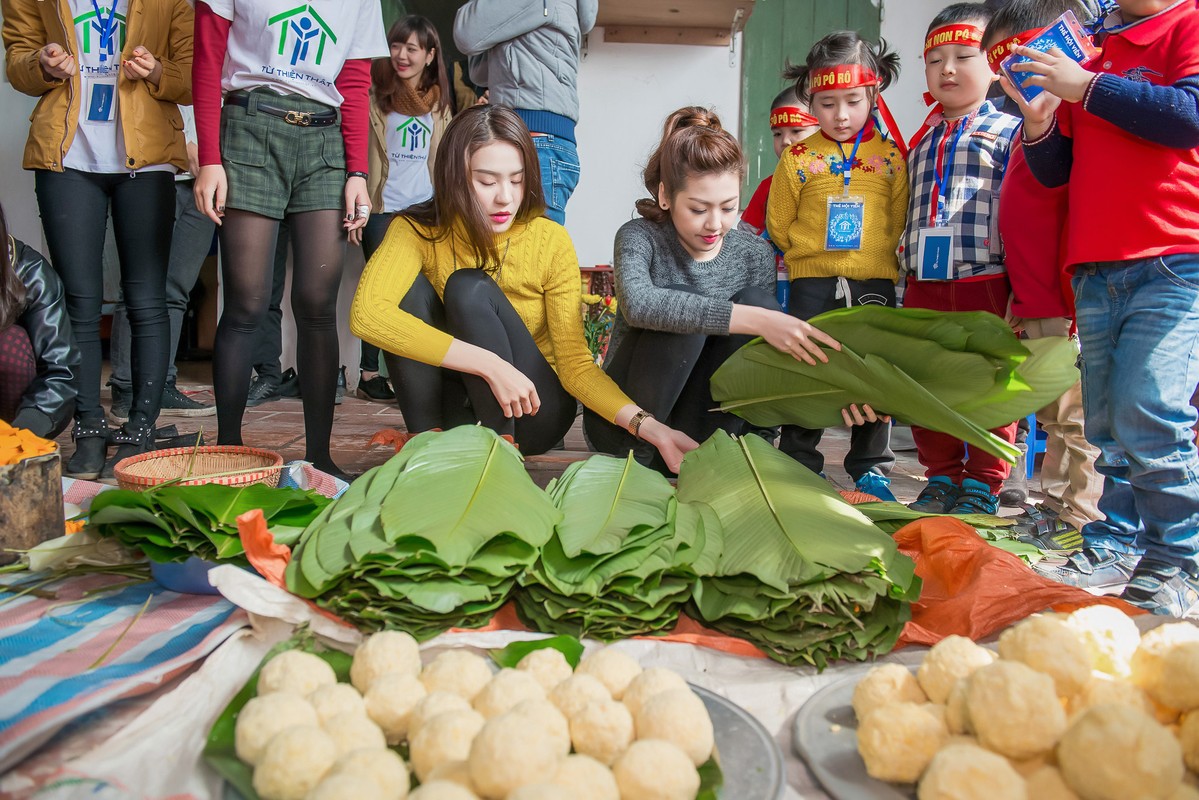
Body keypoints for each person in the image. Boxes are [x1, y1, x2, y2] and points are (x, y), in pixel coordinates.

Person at [350, 104, 697, 471]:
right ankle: (426, 439)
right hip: (458, 408)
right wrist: (489, 365)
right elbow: (367, 315)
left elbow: (576, 365)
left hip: (533, 412)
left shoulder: (548, 239)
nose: (505, 198)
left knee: (467, 287)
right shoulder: (416, 230)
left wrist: (651, 428)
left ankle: (500, 447)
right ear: (454, 177)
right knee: (407, 291)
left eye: (516, 180)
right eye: (487, 182)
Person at [1004, 0, 1199, 616]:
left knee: (1151, 408)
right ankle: (1115, 541)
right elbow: (1057, 170)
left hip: (1173, 254)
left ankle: (1179, 560)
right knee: (1109, 421)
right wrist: (1038, 123)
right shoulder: (1088, 43)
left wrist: (1086, 86)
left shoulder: (1186, 23)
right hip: (1094, 266)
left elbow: (1189, 116)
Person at [584, 107, 860, 472]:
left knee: (758, 302)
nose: (715, 224)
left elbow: (759, 364)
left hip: (699, 432)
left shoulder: (753, 253)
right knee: (696, 305)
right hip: (629, 424)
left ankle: (726, 454)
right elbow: (639, 305)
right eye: (698, 209)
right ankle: (638, 463)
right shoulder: (639, 237)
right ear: (665, 196)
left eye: (728, 207)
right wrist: (753, 320)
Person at [192, 0, 388, 478]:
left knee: (318, 305)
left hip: (325, 140)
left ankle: (320, 457)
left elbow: (356, 82)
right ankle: (230, 452)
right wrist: (210, 159)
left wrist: (358, 171)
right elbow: (207, 57)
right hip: (250, 127)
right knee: (247, 303)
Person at [2, 0, 194, 479]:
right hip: (67, 157)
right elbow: (18, 63)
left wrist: (157, 71)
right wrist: (41, 65)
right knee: (79, 302)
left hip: (147, 156)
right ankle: (88, 428)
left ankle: (141, 429)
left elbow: (193, 77)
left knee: (148, 298)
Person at [766, 30, 910, 500]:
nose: (841, 115)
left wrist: (871, 257)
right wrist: (812, 257)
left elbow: (898, 218)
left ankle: (871, 466)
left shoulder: (890, 159)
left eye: (853, 100)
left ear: (874, 93)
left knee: (873, 373)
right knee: (807, 367)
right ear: (811, 97)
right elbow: (780, 222)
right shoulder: (799, 159)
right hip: (812, 283)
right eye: (827, 103)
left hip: (875, 281)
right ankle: (799, 460)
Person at [985, 0, 1103, 547]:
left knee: (1076, 418)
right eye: (1007, 73)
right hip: (1033, 300)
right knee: (1055, 415)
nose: (1016, 82)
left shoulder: (1077, 127)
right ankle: (1054, 506)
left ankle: (1081, 515)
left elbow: (1072, 219)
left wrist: (1072, 303)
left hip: (1067, 302)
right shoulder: (1026, 132)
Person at [897, 2, 1021, 516]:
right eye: (935, 59)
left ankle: (985, 481)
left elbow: (1021, 211)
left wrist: (1021, 288)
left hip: (985, 281)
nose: (948, 69)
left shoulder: (1011, 129)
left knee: (987, 387)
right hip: (924, 282)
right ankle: (942, 475)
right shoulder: (920, 136)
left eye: (963, 56)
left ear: (993, 62)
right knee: (926, 386)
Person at [352, 14, 455, 404]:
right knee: (378, 292)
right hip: (382, 209)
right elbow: (359, 156)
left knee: (418, 295)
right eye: (396, 45)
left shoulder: (441, 105)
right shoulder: (374, 97)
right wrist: (359, 208)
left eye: (412, 48)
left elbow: (447, 160)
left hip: (425, 212)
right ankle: (368, 373)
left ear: (430, 55)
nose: (402, 55)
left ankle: (413, 370)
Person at [108, 103, 216, 422]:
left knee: (177, 290)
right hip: (151, 173)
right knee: (139, 286)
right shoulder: (152, 52)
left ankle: (162, 384)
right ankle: (126, 388)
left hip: (204, 182)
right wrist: (182, 146)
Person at [453, 0, 596, 225]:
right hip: (541, 141)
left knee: (534, 254)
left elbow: (466, 32)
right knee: (525, 253)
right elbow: (480, 72)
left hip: (535, 142)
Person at [0, 206, 78, 438]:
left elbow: (60, 371)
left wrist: (22, 436)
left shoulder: (31, 270)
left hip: (18, 419)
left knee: (11, 343)